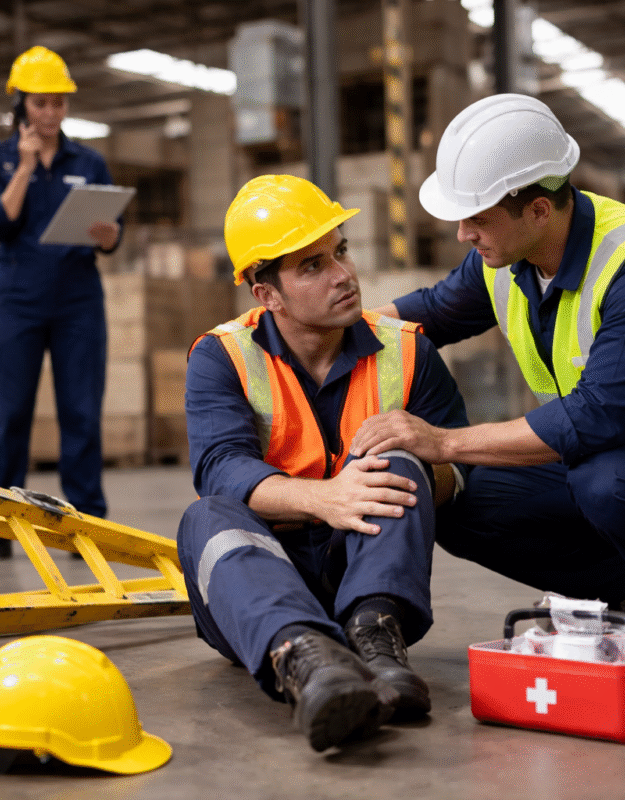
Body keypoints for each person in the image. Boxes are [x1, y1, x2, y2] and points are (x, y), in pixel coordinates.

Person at [353, 93, 625, 672]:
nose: (464, 233)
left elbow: (595, 420)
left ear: (539, 210)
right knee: (457, 498)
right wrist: (320, 329)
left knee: (608, 481)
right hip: (615, 450)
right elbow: (427, 316)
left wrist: (441, 441)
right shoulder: (507, 258)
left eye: (478, 217)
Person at [178, 174, 469, 751]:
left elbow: (461, 468)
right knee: (206, 516)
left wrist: (414, 464)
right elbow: (220, 465)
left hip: (362, 565)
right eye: (311, 266)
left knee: (403, 461)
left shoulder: (409, 349)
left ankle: (375, 638)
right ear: (267, 295)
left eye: (340, 250)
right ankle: (306, 661)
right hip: (258, 585)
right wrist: (324, 496)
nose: (343, 274)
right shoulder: (222, 356)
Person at [0, 46, 121, 561]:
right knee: (8, 417)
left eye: (58, 103)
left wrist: (108, 235)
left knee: (81, 414)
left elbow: (110, 234)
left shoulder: (89, 160)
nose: (51, 114)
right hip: (17, 300)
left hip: (78, 300)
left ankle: (84, 527)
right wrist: (25, 165)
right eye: (41, 103)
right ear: (21, 106)